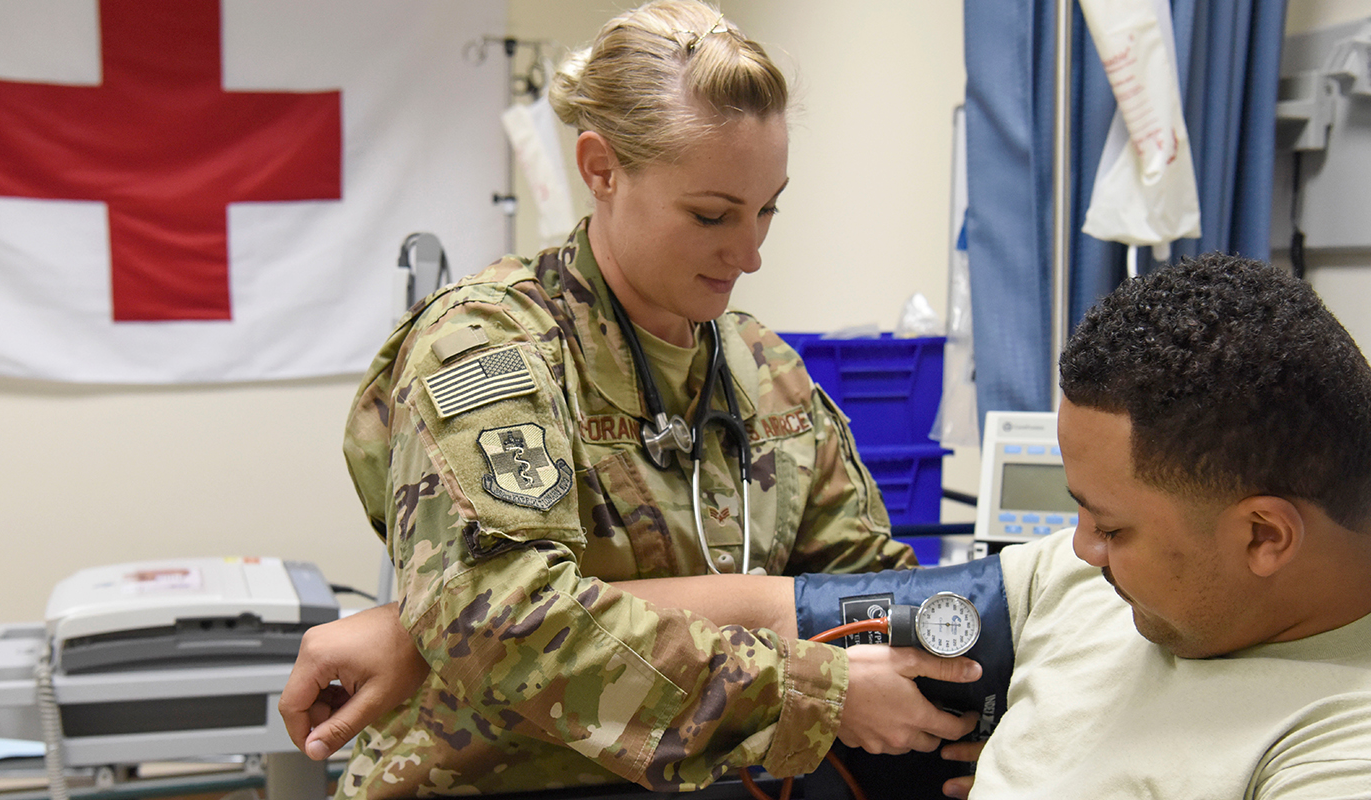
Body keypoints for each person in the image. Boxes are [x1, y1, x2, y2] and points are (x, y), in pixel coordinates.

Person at [279, 2, 980, 796]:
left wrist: (973, 704)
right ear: (601, 168)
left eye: (768, 208)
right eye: (711, 214)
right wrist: (806, 690)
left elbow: (864, 594)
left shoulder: (764, 371)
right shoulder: (490, 347)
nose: (750, 252)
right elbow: (508, 626)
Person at [638, 253, 1371, 798]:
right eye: (1079, 511)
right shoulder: (1070, 582)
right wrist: (548, 621)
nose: (1082, 547)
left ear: (1264, 537)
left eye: (1113, 529)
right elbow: (783, 610)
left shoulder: (1339, 740)